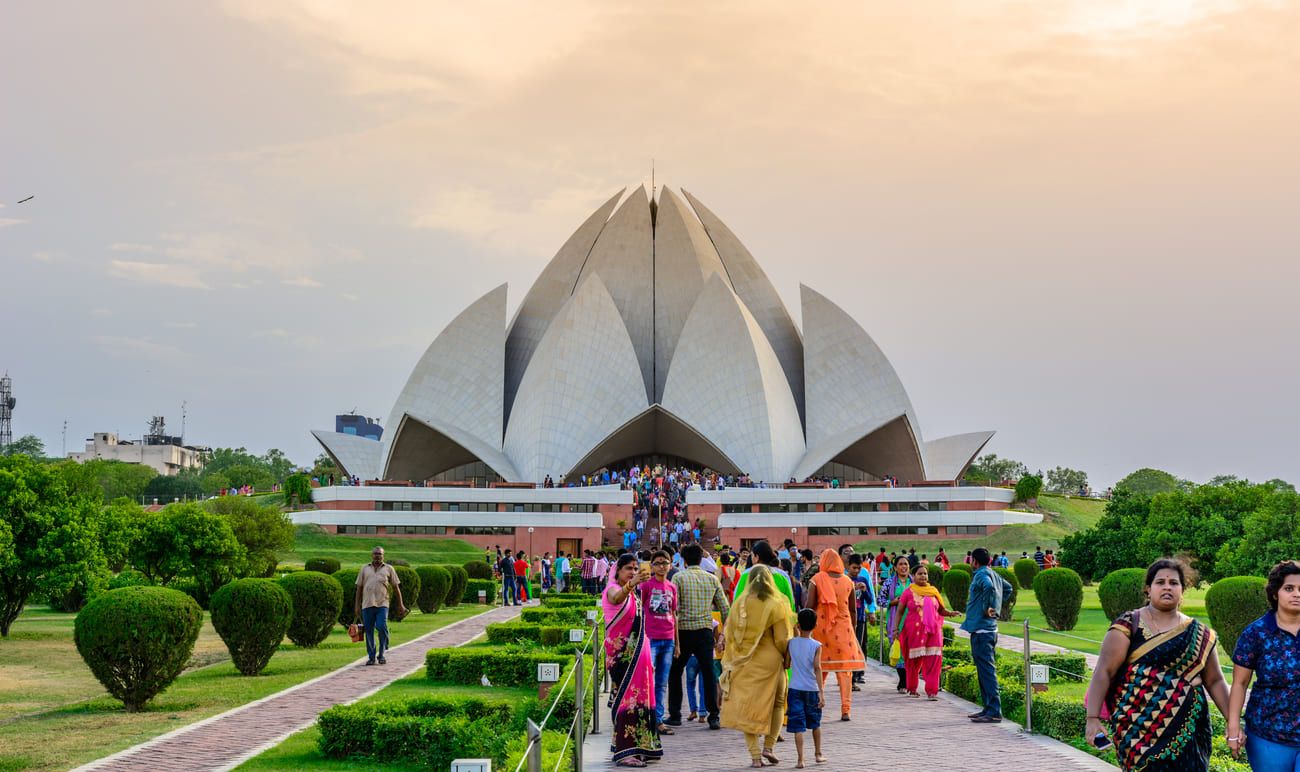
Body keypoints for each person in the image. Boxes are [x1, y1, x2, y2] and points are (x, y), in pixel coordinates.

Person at [1084, 558, 1231, 769]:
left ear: (1183, 590)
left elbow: (1215, 680)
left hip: (1188, 729)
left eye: (1174, 583)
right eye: (1160, 582)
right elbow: (1104, 672)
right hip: (1136, 727)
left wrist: (1232, 721)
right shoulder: (1129, 625)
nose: (1167, 587)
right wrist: (1092, 718)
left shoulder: (1200, 633)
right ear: (1148, 589)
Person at [1226, 560, 1300, 769]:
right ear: (1275, 593)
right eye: (1289, 588)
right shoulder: (1256, 633)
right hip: (1268, 735)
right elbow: (1239, 684)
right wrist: (1233, 728)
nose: (1297, 594)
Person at [720, 565, 793, 768]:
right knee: (778, 702)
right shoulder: (777, 603)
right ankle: (769, 747)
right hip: (771, 661)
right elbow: (781, 639)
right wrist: (786, 655)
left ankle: (755, 757)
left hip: (744, 660)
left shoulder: (739, 603)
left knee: (747, 707)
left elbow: (731, 634)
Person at [602, 554, 663, 767]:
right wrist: (631, 584)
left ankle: (642, 746)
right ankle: (624, 751)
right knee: (626, 700)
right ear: (617, 571)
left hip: (640, 656)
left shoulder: (634, 594)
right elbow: (616, 598)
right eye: (628, 568)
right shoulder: (611, 589)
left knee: (641, 700)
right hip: (622, 657)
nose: (633, 571)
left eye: (635, 568)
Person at [667, 543, 729, 730]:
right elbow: (726, 609)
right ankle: (714, 716)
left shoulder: (678, 578)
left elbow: (672, 607)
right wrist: (723, 634)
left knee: (676, 673)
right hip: (704, 631)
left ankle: (675, 714)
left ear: (684, 560)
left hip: (683, 632)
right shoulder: (711, 579)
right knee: (709, 674)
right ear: (701, 559)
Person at [805, 548, 864, 721]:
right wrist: (851, 629)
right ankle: (846, 710)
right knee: (845, 672)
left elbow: (809, 606)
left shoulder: (817, 579)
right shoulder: (848, 581)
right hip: (844, 628)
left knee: (819, 669)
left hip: (822, 630)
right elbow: (853, 609)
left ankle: (816, 706)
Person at [963, 547, 1014, 722]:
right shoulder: (994, 573)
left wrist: (987, 608)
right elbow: (1007, 589)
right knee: (984, 670)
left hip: (982, 629)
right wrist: (996, 607)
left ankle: (993, 711)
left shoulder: (981, 575)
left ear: (974, 561)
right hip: (988, 628)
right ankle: (988, 708)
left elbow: (990, 588)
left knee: (986, 671)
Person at [895, 564, 961, 699]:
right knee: (913, 661)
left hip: (933, 632)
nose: (923, 576)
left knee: (934, 660)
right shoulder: (908, 592)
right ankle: (912, 688)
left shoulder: (933, 591)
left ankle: (932, 691)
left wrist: (950, 613)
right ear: (913, 576)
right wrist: (896, 628)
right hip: (914, 632)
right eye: (920, 573)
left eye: (925, 573)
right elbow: (900, 612)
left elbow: (941, 610)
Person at [640, 550, 678, 733]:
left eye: (665, 563)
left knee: (662, 683)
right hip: (651, 639)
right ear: (652, 566)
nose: (662, 566)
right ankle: (646, 718)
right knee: (647, 681)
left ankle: (658, 720)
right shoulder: (646, 586)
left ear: (670, 565)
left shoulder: (672, 587)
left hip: (668, 639)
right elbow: (640, 612)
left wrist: (677, 644)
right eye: (658, 563)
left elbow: (674, 614)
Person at [786, 608, 826, 769]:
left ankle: (800, 760)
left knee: (798, 725)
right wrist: (821, 693)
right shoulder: (817, 645)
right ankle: (818, 754)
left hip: (795, 688)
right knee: (815, 723)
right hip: (812, 689)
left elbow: (786, 664)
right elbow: (817, 668)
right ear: (815, 625)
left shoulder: (791, 643)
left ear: (798, 625)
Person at [354, 547, 406, 666]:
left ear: (383, 556)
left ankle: (381, 654)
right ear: (372, 555)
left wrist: (401, 605)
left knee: (382, 626)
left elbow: (396, 588)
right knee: (369, 631)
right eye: (375, 554)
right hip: (367, 604)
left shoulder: (389, 569)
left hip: (383, 604)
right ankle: (371, 657)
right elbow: (359, 588)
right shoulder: (364, 569)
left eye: (380, 554)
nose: (377, 556)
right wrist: (357, 606)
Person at [881, 556, 912, 692]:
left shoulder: (914, 581)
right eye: (900, 564)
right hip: (895, 621)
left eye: (906, 564)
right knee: (899, 651)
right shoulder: (889, 583)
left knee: (911, 651)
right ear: (895, 568)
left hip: (912, 621)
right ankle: (903, 682)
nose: (903, 567)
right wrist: (892, 602)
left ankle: (909, 682)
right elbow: (880, 600)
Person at [846, 554, 877, 689]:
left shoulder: (863, 579)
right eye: (854, 568)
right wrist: (852, 587)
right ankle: (847, 678)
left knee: (857, 647)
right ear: (848, 567)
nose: (856, 571)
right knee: (847, 648)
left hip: (860, 618)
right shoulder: (844, 580)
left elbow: (870, 600)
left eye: (859, 568)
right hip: (846, 619)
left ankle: (855, 676)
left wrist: (864, 590)